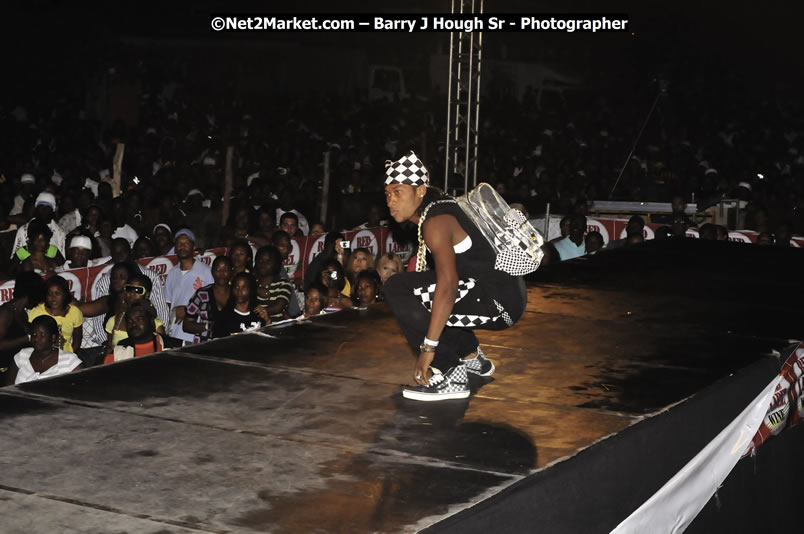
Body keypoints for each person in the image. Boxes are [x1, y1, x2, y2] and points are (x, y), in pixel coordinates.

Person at [382, 151, 527, 401]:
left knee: (398, 288)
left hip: (500, 303)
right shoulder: (440, 207)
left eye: (398, 192)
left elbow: (447, 288)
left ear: (420, 191)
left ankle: (451, 371)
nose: (390, 201)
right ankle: (471, 357)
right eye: (387, 194)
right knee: (423, 290)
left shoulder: (435, 223)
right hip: (507, 295)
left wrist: (429, 350)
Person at [165, 228, 214, 345]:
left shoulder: (206, 271)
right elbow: (168, 303)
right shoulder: (172, 273)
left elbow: (213, 302)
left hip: (197, 335)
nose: (182, 246)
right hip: (175, 334)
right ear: (175, 247)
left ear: (193, 246)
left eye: (186, 243)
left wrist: (188, 310)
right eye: (179, 243)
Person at [6, 315, 83, 385]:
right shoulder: (22, 355)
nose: (36, 339)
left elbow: (83, 388)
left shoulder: (69, 361)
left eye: (42, 335)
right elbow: (8, 387)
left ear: (53, 337)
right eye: (34, 334)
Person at [104, 273, 166, 350]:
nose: (132, 293)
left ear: (147, 294)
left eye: (138, 290)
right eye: (129, 289)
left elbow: (162, 351)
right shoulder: (113, 321)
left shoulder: (156, 324)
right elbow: (109, 349)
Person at [0, 272, 46, 371]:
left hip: (18, 366)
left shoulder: (22, 313)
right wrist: (27, 338)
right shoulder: (6, 312)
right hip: (4, 368)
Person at [184, 256, 234, 344]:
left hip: (231, 346)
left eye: (225, 270)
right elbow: (187, 325)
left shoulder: (237, 294)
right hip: (205, 347)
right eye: (218, 269)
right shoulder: (202, 294)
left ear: (231, 272)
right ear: (212, 272)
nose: (222, 273)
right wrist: (208, 326)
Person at [28, 275, 83, 353]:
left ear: (65, 294)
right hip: (42, 355)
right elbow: (30, 339)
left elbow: (77, 341)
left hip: (66, 355)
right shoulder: (37, 312)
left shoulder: (74, 312)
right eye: (49, 294)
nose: (53, 298)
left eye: (57, 294)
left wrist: (69, 355)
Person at [10, 192, 67, 259]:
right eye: (41, 206)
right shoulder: (23, 229)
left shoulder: (60, 233)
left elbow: (62, 262)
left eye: (48, 207)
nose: (44, 210)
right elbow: (16, 257)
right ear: (36, 208)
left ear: (53, 210)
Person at [211, 272, 269, 338]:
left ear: (251, 290)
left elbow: (268, 341)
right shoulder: (224, 316)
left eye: (244, 287)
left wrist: (267, 320)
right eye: (237, 287)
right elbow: (217, 344)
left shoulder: (258, 313)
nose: (239, 292)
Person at [254, 245, 293, 322]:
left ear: (276, 264)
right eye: (260, 260)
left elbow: (278, 307)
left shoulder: (283, 283)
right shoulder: (253, 283)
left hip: (276, 327)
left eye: (268, 261)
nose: (263, 264)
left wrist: (262, 311)